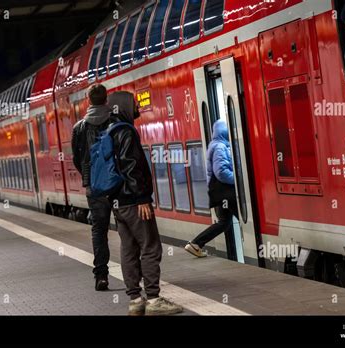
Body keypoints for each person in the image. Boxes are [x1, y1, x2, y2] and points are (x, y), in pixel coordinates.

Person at [106, 91, 183, 316]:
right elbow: (132, 167)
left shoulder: (108, 131)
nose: (138, 106)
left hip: (118, 203)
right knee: (150, 247)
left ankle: (135, 300)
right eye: (134, 103)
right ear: (124, 106)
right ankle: (154, 299)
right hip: (133, 202)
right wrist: (142, 198)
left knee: (128, 249)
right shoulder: (125, 132)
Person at [71, 84, 112, 291]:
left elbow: (77, 159)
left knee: (99, 230)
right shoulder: (116, 121)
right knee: (128, 230)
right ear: (106, 99)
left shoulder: (79, 128)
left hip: (94, 188)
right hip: (118, 185)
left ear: (88, 101)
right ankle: (136, 274)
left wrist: (89, 175)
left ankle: (101, 276)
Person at [185, 119, 238, 258]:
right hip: (226, 192)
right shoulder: (220, 147)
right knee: (246, 217)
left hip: (220, 193)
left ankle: (196, 244)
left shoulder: (216, 145)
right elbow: (220, 172)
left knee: (224, 222)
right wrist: (237, 180)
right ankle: (195, 243)